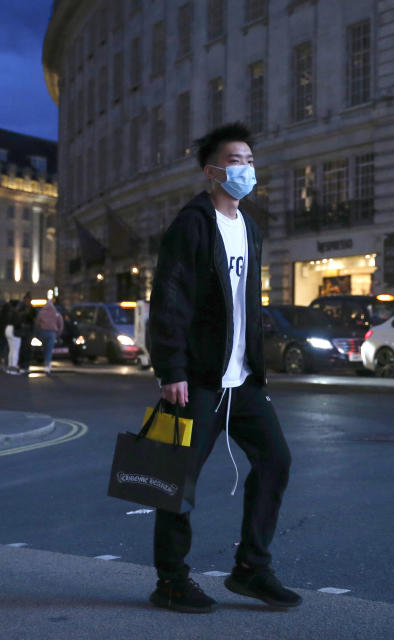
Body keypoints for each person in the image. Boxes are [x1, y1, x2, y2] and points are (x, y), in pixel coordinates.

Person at [147, 123, 300, 613]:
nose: (246, 169)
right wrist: (172, 369)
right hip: (201, 379)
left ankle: (252, 568)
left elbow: (245, 302)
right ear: (212, 170)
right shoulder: (192, 224)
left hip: (244, 378)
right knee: (177, 478)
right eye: (236, 160)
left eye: (250, 160)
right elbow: (168, 297)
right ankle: (171, 581)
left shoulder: (249, 227)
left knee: (275, 461)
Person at [34, 300, 64, 375]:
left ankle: (46, 362)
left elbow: (37, 322)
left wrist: (38, 332)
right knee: (49, 349)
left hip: (43, 332)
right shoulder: (56, 313)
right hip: (52, 333)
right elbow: (61, 324)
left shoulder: (41, 312)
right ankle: (47, 365)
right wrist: (58, 334)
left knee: (44, 348)